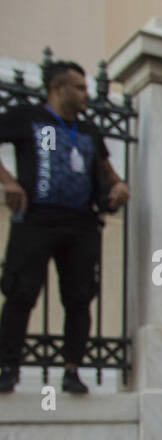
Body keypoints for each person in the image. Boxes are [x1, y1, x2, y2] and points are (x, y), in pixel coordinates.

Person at [0, 60, 129, 394]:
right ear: (58, 88)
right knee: (20, 294)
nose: (87, 94)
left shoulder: (88, 131)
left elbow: (106, 168)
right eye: (80, 87)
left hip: (81, 225)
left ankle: (72, 370)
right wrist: (9, 181)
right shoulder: (28, 118)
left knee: (79, 298)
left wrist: (118, 186)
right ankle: (8, 367)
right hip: (35, 220)